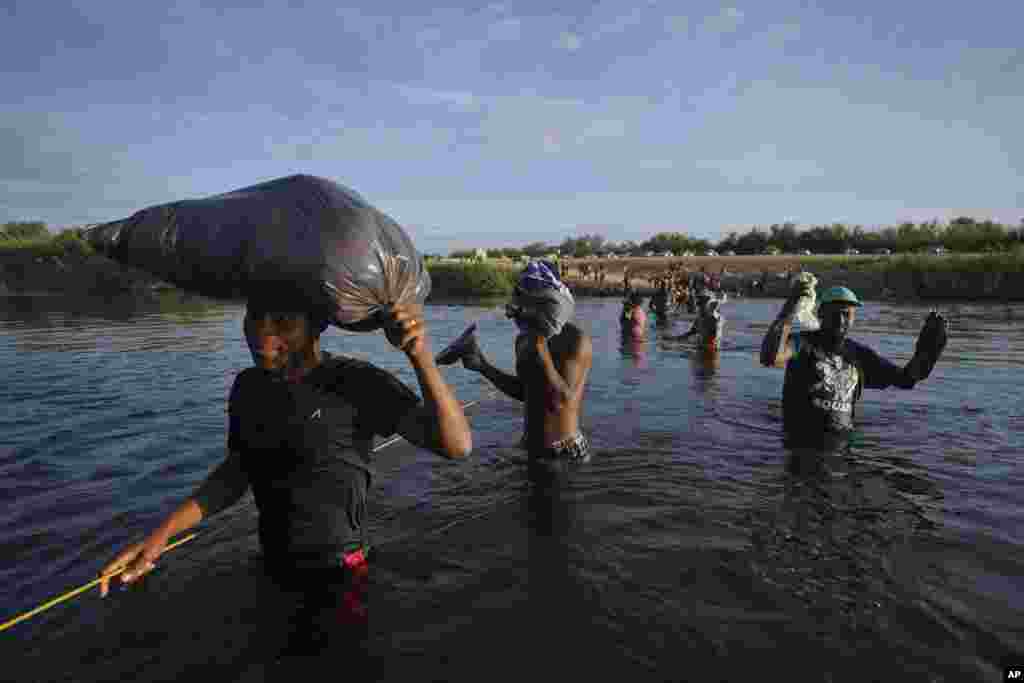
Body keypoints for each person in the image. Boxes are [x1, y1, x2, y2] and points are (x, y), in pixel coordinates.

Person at [98, 286, 473, 658]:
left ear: (317, 327)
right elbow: (236, 473)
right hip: (272, 568)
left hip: (342, 575)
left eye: (282, 322)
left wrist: (419, 354)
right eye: (254, 318)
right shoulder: (248, 388)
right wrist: (158, 539)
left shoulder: (355, 382)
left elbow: (455, 446)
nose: (262, 333)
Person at [760, 283, 948, 442]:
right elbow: (770, 357)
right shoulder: (802, 343)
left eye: (847, 314)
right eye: (835, 313)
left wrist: (929, 350)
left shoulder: (858, 355)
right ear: (821, 314)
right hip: (801, 445)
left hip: (843, 444)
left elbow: (907, 379)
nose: (841, 320)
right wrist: (790, 308)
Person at [458, 261, 593, 464]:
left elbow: (560, 402)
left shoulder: (575, 341)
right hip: (530, 446)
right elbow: (527, 392)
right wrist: (482, 366)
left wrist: (539, 343)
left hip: (563, 449)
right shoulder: (523, 340)